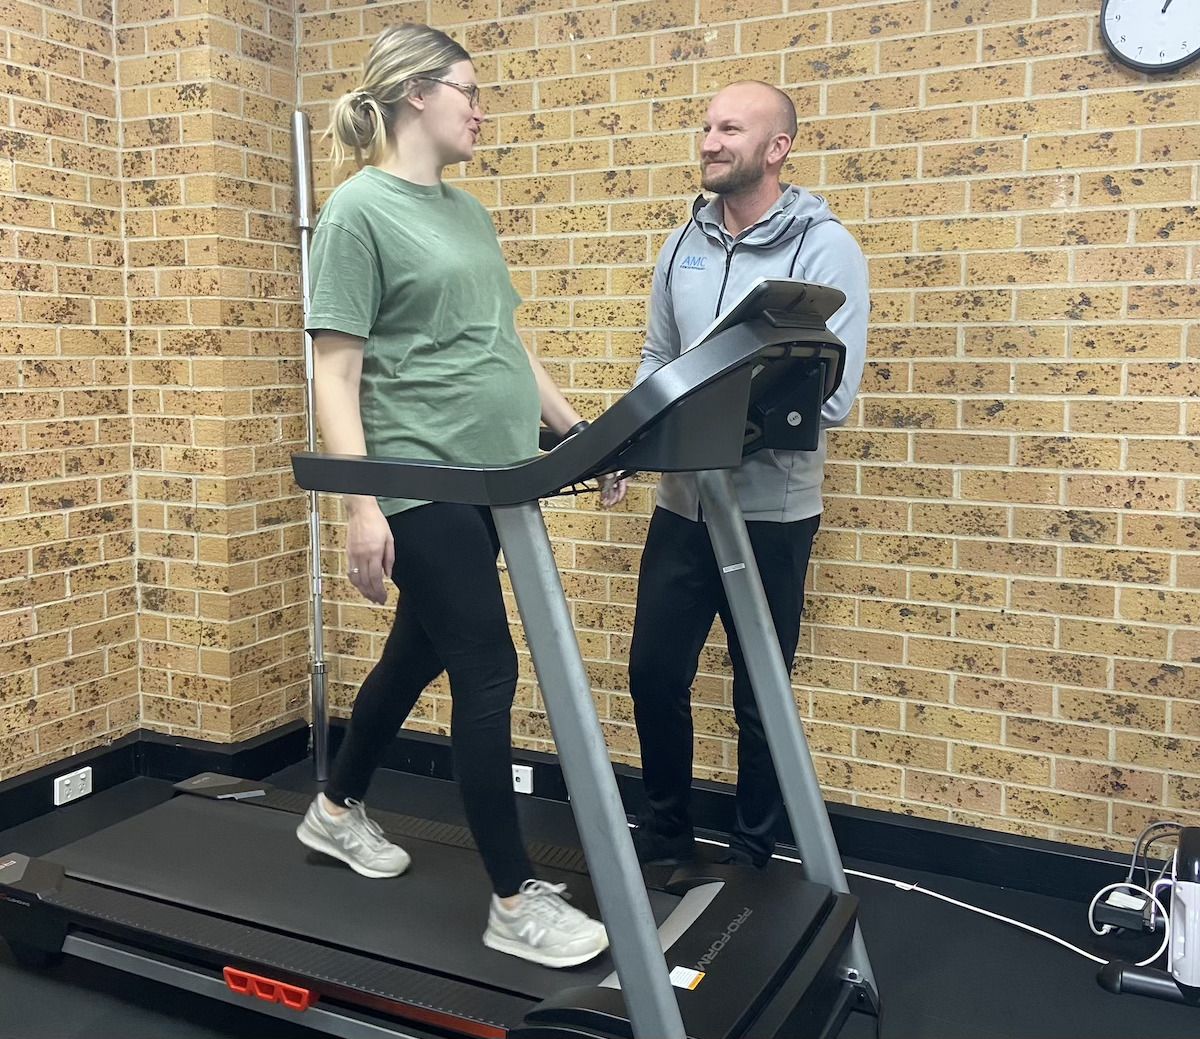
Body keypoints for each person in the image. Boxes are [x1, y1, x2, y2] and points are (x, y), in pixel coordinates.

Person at [295, 23, 623, 968]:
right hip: (416, 476)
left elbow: (503, 345)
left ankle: (334, 806)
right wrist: (363, 505)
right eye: (468, 92)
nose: (480, 110)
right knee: (488, 668)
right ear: (413, 97)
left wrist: (577, 434)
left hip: (490, 474)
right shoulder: (358, 212)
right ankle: (514, 900)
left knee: (419, 654)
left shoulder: (468, 214)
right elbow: (336, 370)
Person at [628, 81, 869, 869]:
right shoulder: (682, 244)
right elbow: (659, 358)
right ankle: (664, 837)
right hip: (684, 505)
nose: (708, 140)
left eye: (729, 128)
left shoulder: (825, 249)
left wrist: (713, 426)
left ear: (777, 147)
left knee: (759, 690)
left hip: (772, 514)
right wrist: (639, 434)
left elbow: (829, 394)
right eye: (705, 125)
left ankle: (755, 848)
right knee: (654, 672)